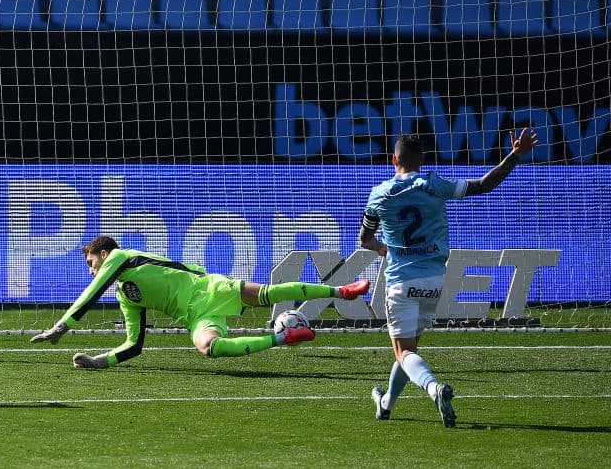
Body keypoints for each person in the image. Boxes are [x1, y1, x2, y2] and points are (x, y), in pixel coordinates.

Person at [360, 129, 538, 428]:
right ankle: (387, 403)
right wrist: (514, 156)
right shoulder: (435, 184)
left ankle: (434, 389)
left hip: (400, 281)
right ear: (422, 160)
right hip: (433, 281)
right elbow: (484, 185)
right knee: (408, 352)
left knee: (403, 353)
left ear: (393, 159)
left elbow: (364, 238)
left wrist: (383, 248)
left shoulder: (379, 194)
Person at [30, 235, 370, 369]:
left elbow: (92, 293)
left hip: (207, 289)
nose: (92, 271)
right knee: (208, 347)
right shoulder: (126, 295)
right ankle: (283, 337)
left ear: (103, 254)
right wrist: (99, 361)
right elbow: (134, 345)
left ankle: (341, 291)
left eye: (91, 263)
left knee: (265, 293)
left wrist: (62, 327)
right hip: (195, 316)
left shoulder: (121, 256)